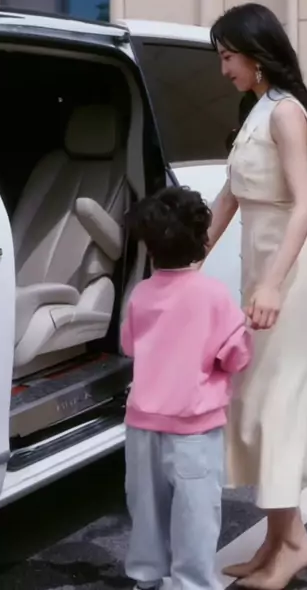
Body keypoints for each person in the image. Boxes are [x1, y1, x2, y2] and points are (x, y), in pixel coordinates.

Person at [207, 3, 307, 590]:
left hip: (286, 277)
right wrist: (187, 261)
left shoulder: (285, 113)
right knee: (257, 403)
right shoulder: (257, 109)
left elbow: (304, 207)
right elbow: (228, 198)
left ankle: (294, 544)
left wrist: (270, 284)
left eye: (228, 57)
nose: (224, 69)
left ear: (256, 55)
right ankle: (281, 541)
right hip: (260, 271)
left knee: (275, 404)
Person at [121, 186, 252, 590]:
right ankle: (191, 583)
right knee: (195, 514)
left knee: (146, 509)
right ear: (200, 240)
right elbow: (235, 355)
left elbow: (129, 345)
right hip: (194, 427)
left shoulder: (141, 293)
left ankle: (146, 576)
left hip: (142, 423)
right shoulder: (213, 295)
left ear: (150, 247)